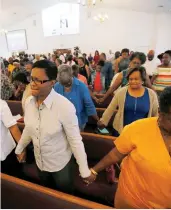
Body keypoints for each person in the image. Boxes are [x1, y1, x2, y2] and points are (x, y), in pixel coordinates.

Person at [90, 85, 171, 209]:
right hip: (131, 203)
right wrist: (94, 170)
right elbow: (116, 154)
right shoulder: (138, 129)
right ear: (160, 113)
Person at [15, 60, 96, 193]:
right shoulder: (29, 102)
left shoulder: (64, 106)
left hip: (60, 164)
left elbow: (75, 140)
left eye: (38, 80)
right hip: (40, 162)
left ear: (52, 82)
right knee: (47, 193)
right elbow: (29, 129)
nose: (32, 84)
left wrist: (84, 170)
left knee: (64, 195)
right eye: (31, 79)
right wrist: (20, 148)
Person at [98, 67, 158, 136]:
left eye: (136, 79)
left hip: (142, 133)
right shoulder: (122, 92)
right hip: (121, 130)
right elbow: (111, 108)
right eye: (130, 79)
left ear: (142, 80)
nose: (133, 81)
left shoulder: (151, 94)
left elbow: (155, 113)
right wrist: (103, 121)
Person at [54, 64, 99, 131]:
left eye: (68, 84)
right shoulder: (57, 86)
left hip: (78, 121)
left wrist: (98, 120)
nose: (66, 86)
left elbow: (89, 105)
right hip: (62, 122)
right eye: (64, 85)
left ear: (72, 75)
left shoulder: (81, 87)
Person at [1, 99, 26, 177]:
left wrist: (21, 149)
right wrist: (22, 149)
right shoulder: (1, 104)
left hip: (6, 151)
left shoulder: (1, 105)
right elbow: (13, 127)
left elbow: (13, 127)